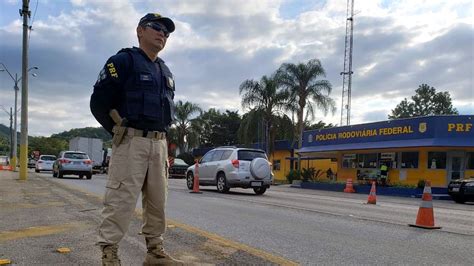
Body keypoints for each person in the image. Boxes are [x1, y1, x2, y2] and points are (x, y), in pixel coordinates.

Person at [90, 13, 181, 265]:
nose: (162, 33)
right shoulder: (122, 61)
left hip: (158, 143)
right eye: (156, 27)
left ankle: (155, 252)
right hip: (131, 141)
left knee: (157, 202)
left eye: (166, 31)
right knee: (120, 200)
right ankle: (109, 254)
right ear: (140, 31)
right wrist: (116, 128)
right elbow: (98, 101)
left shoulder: (165, 70)